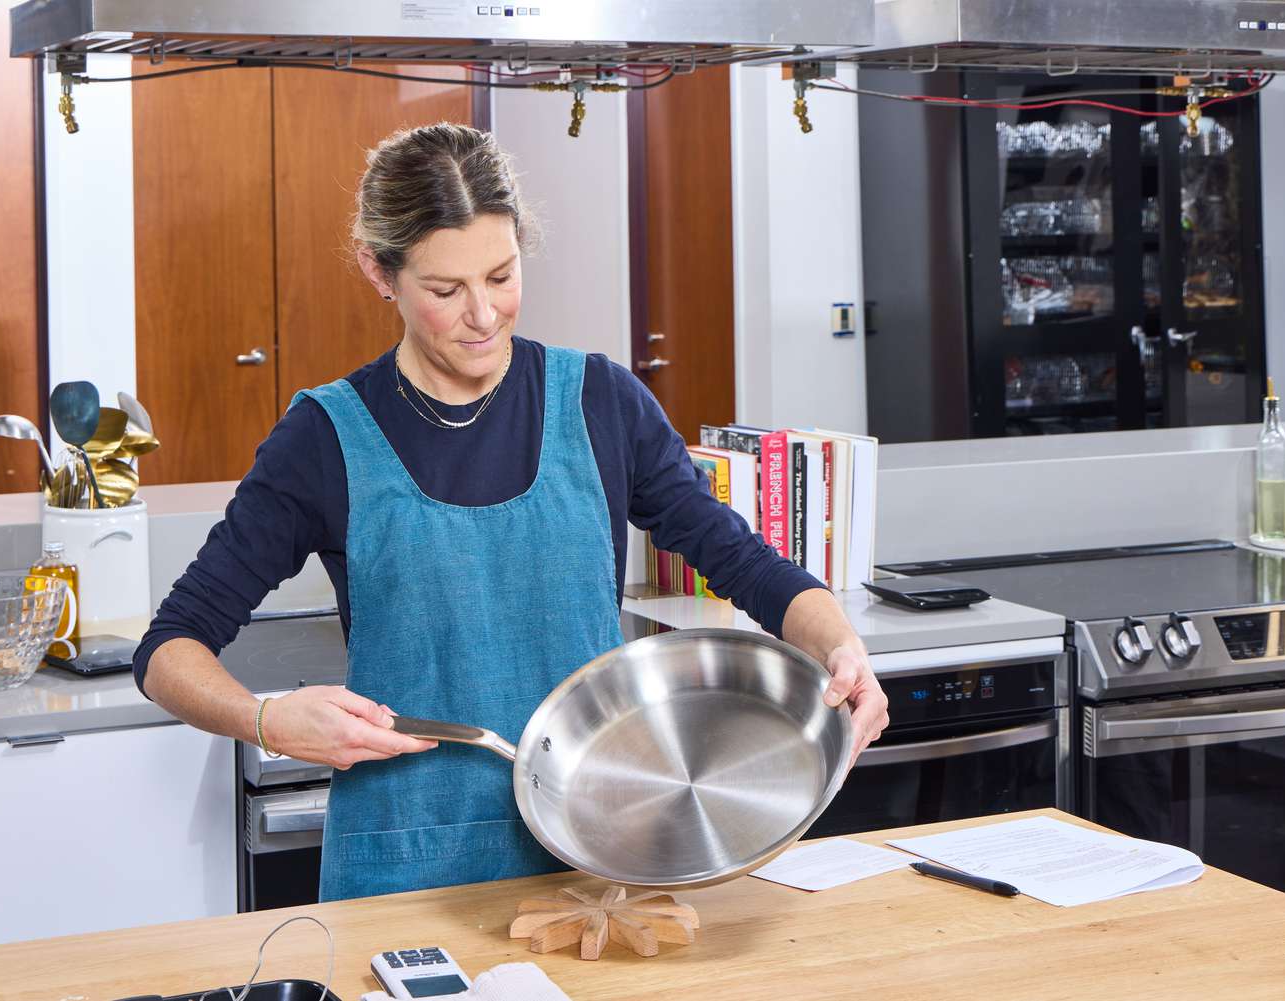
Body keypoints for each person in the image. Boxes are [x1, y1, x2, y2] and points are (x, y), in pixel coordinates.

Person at [134, 122, 889, 902]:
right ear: (379, 272)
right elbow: (167, 649)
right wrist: (265, 720)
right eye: (445, 290)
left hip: (594, 855)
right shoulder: (325, 437)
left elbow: (745, 564)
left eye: (501, 275)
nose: (484, 314)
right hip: (404, 867)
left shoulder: (602, 402)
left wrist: (841, 646)